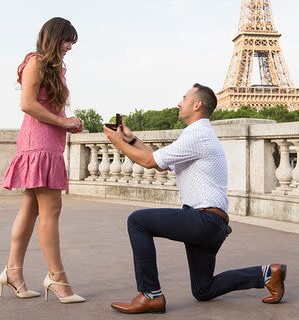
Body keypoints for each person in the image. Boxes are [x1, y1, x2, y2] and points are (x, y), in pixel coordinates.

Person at [104, 83, 286, 314]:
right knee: (203, 289)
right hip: (212, 223)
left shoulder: (197, 136)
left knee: (137, 221)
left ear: (197, 105)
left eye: (184, 98)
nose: (179, 103)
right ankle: (268, 274)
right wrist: (131, 140)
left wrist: (117, 142)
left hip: (203, 220)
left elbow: (148, 162)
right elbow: (158, 161)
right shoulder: (197, 135)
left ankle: (150, 294)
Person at [0, 17, 86, 304]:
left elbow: (47, 107)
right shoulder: (35, 62)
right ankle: (57, 277)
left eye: (72, 41)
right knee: (51, 210)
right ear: (53, 37)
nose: (70, 46)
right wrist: (63, 122)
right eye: (67, 39)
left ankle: (13, 272)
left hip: (44, 143)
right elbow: (27, 104)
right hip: (39, 144)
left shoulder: (54, 67)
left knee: (31, 209)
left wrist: (68, 122)